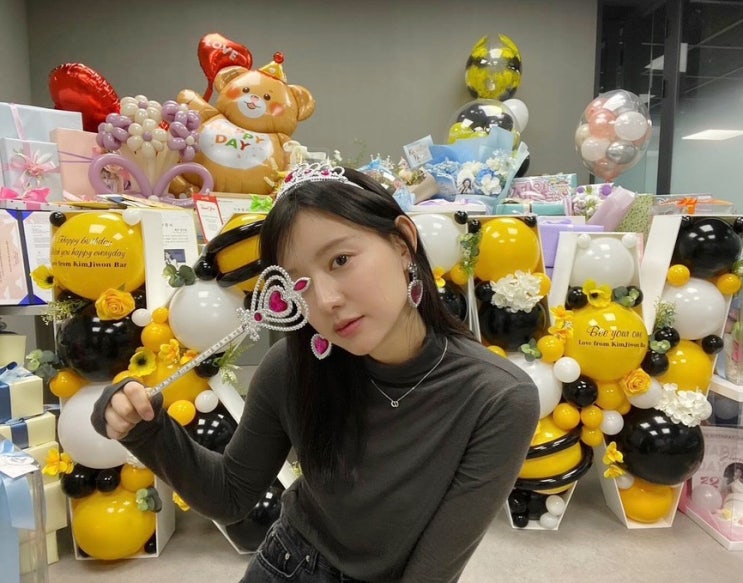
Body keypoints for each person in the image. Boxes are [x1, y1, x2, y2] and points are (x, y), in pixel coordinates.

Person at [91, 164, 541, 583]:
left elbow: (431, 572)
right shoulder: (293, 366)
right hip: (285, 565)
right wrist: (145, 428)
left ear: (403, 243)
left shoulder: (497, 398)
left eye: (340, 260)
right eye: (298, 283)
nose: (325, 301)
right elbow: (229, 496)